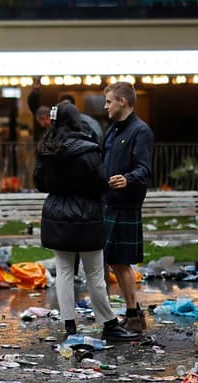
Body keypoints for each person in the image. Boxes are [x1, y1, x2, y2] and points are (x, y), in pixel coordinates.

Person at [34, 103, 138, 341]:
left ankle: (69, 325)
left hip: (57, 213)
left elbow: (40, 183)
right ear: (75, 121)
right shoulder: (87, 150)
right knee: (94, 273)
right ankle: (108, 324)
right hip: (86, 213)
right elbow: (101, 183)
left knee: (63, 271)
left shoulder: (46, 149)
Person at [102, 82, 153, 333]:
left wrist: (128, 179)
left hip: (126, 202)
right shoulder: (113, 130)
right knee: (115, 261)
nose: (105, 106)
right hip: (110, 201)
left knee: (120, 261)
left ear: (122, 101)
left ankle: (134, 314)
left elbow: (144, 168)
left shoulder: (140, 131)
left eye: (109, 101)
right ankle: (132, 313)